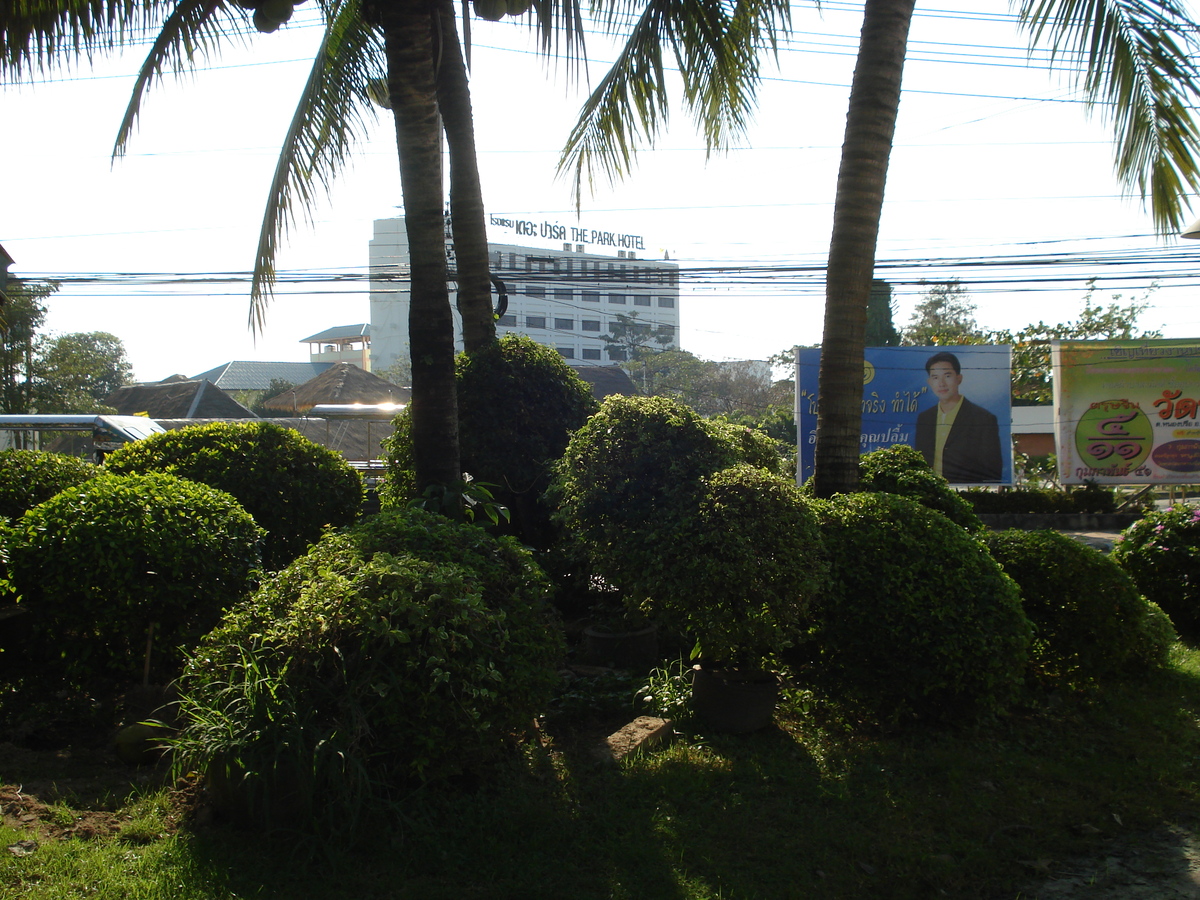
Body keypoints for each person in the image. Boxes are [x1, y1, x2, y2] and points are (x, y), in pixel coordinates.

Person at [914, 351, 1002, 483]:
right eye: (936, 377)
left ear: (959, 378)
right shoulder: (924, 418)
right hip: (931, 493)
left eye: (947, 376)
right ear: (930, 382)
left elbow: (992, 470)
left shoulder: (983, 419)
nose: (941, 383)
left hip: (966, 493)